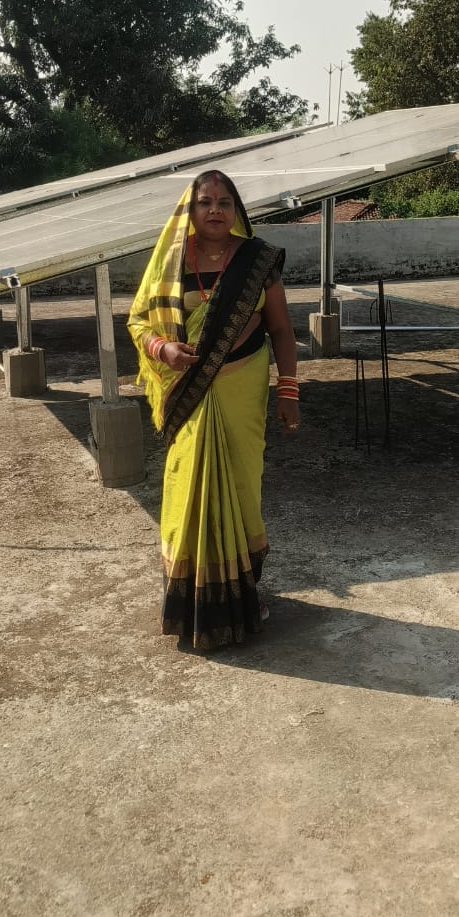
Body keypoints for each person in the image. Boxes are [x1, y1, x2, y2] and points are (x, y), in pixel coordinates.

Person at [128, 169, 300, 650]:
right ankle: (188, 602)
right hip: (190, 393)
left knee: (242, 489)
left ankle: (245, 593)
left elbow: (281, 330)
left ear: (237, 210)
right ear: (191, 210)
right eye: (205, 202)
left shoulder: (258, 261)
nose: (215, 210)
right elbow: (139, 320)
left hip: (244, 391)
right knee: (187, 489)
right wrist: (163, 349)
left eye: (225, 202)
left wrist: (289, 390)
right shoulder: (171, 263)